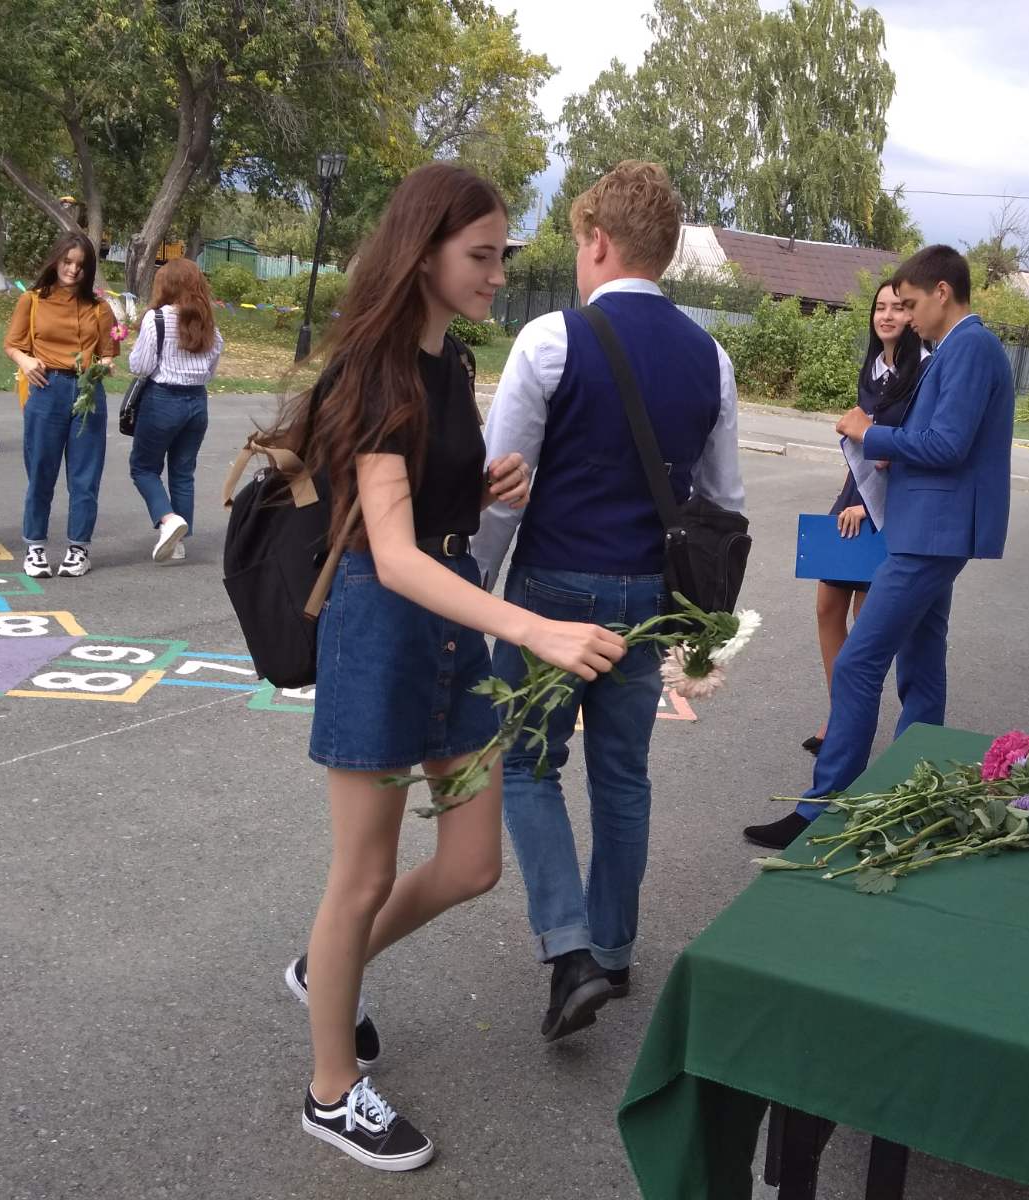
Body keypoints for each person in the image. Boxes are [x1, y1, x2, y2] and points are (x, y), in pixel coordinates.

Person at [266, 162, 625, 1171]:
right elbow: (391, 554)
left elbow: (427, 508)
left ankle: (326, 968)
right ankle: (330, 1091)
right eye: (480, 255)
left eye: (502, 254)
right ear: (421, 251)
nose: (497, 273)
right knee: (365, 873)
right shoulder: (377, 369)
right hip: (384, 633)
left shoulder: (447, 360)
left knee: (471, 863)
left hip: (450, 631)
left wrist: (480, 481)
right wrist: (537, 629)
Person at [471, 161, 745, 1041]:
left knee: (527, 764)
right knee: (624, 774)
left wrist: (471, 592)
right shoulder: (711, 359)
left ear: (597, 241)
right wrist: (702, 626)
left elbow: (502, 490)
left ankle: (569, 950)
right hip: (649, 597)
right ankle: (616, 951)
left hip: (555, 587)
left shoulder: (550, 340)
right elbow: (723, 503)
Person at [743, 245, 1014, 850]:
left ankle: (822, 807)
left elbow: (948, 444)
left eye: (911, 304)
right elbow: (940, 437)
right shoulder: (958, 347)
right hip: (928, 529)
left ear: (942, 292)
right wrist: (895, 446)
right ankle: (915, 795)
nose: (907, 318)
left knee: (859, 662)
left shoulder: (970, 346)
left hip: (931, 535)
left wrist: (875, 435)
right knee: (921, 667)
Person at [803, 280, 927, 756]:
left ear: (913, 315)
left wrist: (872, 505)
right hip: (854, 495)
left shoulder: (924, 372)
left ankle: (853, 725)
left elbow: (910, 449)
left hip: (890, 505)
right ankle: (840, 713)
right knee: (827, 606)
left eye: (898, 307)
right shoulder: (873, 370)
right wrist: (850, 494)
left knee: (867, 618)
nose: (887, 315)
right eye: (880, 307)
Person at [3, 231, 118, 579]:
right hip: (46, 387)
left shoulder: (99, 308)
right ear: (56, 261)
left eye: (81, 265)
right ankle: (35, 546)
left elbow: (108, 353)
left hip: (87, 390)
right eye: (67, 261)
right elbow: (12, 344)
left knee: (85, 477)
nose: (73, 270)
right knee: (41, 473)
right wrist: (25, 361)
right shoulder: (33, 300)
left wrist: (105, 366)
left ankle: (78, 548)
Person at [127, 257, 223, 563]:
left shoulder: (156, 319)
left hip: (162, 399)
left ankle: (168, 520)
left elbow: (141, 366)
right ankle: (178, 542)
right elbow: (210, 371)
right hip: (197, 403)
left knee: (143, 467)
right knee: (183, 472)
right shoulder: (208, 325)